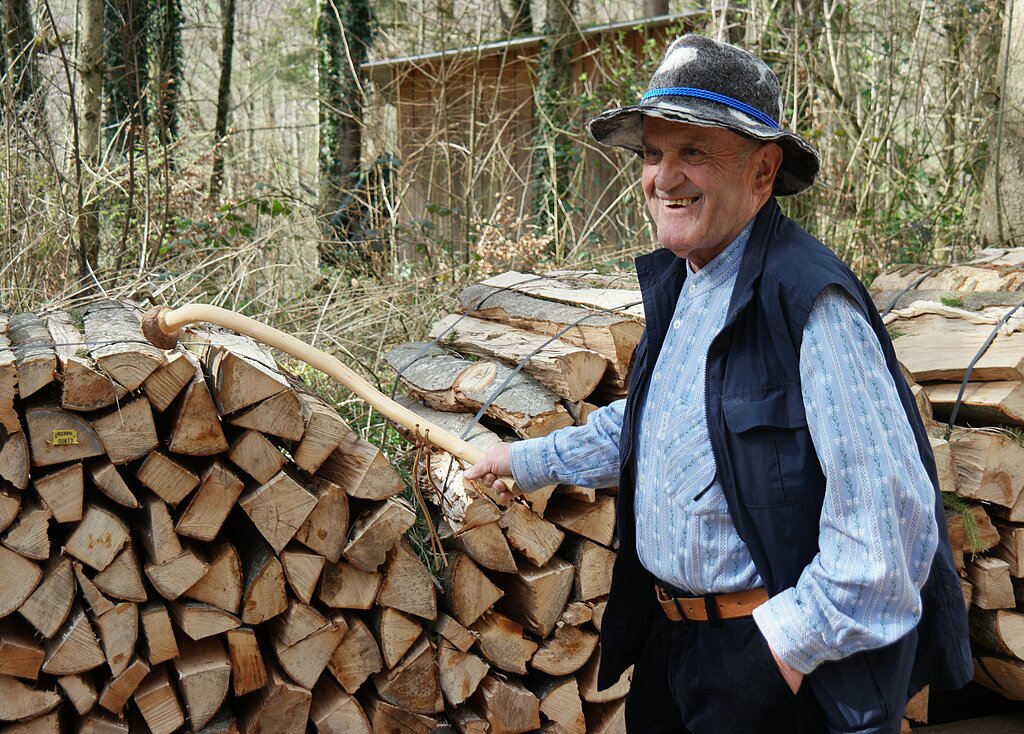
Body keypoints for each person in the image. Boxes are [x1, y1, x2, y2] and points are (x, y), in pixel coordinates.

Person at [464, 34, 970, 734]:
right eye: (652, 153)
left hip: (767, 663)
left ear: (763, 173)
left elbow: (888, 525)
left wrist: (781, 652)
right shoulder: (689, 281)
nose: (664, 178)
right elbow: (655, 430)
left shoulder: (809, 303)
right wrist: (524, 460)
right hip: (675, 651)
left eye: (693, 153)